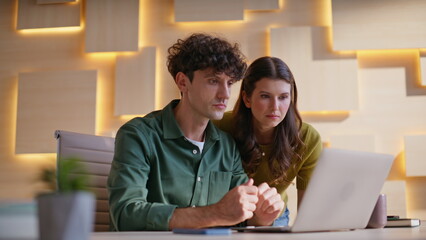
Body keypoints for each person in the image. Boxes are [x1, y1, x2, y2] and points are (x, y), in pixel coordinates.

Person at [107, 34, 285, 231]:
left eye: (229, 83)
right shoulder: (138, 135)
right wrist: (215, 213)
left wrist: (260, 216)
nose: (225, 94)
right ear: (183, 82)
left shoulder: (226, 146)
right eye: (213, 81)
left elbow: (240, 216)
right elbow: (125, 214)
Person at [214, 56, 323, 226]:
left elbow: (308, 218)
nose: (275, 107)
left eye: (283, 97)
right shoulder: (220, 126)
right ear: (247, 99)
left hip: (274, 217)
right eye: (265, 96)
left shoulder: (307, 138)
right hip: (228, 216)